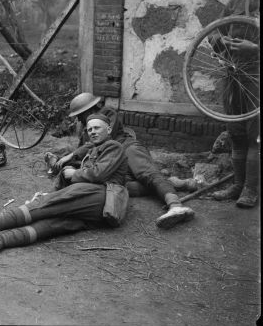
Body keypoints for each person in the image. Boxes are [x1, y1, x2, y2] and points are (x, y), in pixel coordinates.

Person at [0, 113, 128, 254]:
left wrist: (74, 173)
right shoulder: (95, 149)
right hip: (98, 209)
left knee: (47, 204)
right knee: (54, 224)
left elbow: (98, 174)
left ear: (108, 129)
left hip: (102, 196)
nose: (92, 132)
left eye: (97, 128)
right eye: (90, 129)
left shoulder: (113, 146)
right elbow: (90, 163)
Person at [45, 92, 195, 229]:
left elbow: (99, 141)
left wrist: (71, 155)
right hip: (109, 163)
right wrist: (64, 163)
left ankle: (175, 206)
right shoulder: (87, 130)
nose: (78, 119)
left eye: (79, 115)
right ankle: (177, 183)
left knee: (146, 174)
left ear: (89, 110)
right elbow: (86, 154)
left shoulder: (107, 113)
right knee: (122, 187)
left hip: (126, 148)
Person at [211, 0, 259, 208]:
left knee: (256, 135)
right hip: (232, 74)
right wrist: (221, 42)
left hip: (258, 76)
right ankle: (237, 185)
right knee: (236, 132)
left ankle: (251, 190)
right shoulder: (236, 1)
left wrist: (255, 48)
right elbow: (215, 31)